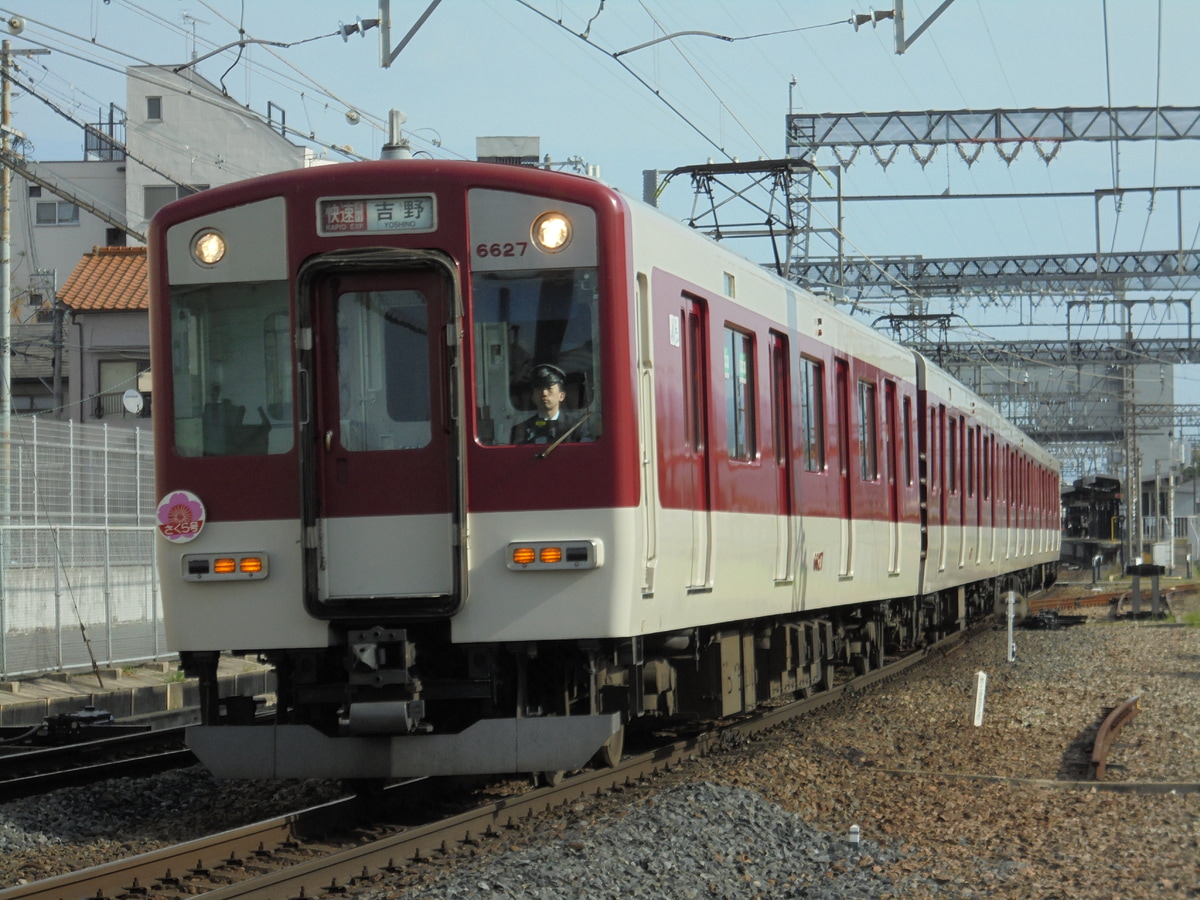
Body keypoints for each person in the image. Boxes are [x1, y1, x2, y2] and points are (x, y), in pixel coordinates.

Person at [511, 363, 588, 445]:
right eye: (539, 389)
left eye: (549, 388)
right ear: (532, 397)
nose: (544, 393)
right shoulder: (522, 429)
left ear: (561, 396)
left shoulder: (577, 425)